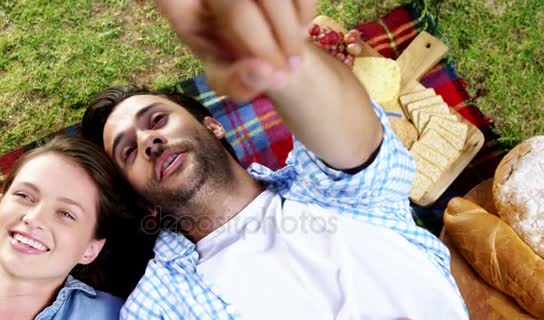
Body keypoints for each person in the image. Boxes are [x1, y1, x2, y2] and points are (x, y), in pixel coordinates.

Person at [82, 1, 468, 319]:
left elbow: (356, 141)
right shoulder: (159, 305)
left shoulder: (321, 184)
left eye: (157, 119)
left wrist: (277, 58)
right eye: (129, 151)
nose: (149, 140)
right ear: (139, 199)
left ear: (212, 126)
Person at [0, 136, 136, 319]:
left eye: (66, 214)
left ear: (91, 249)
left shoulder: (122, 313)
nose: (34, 218)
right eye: (24, 196)